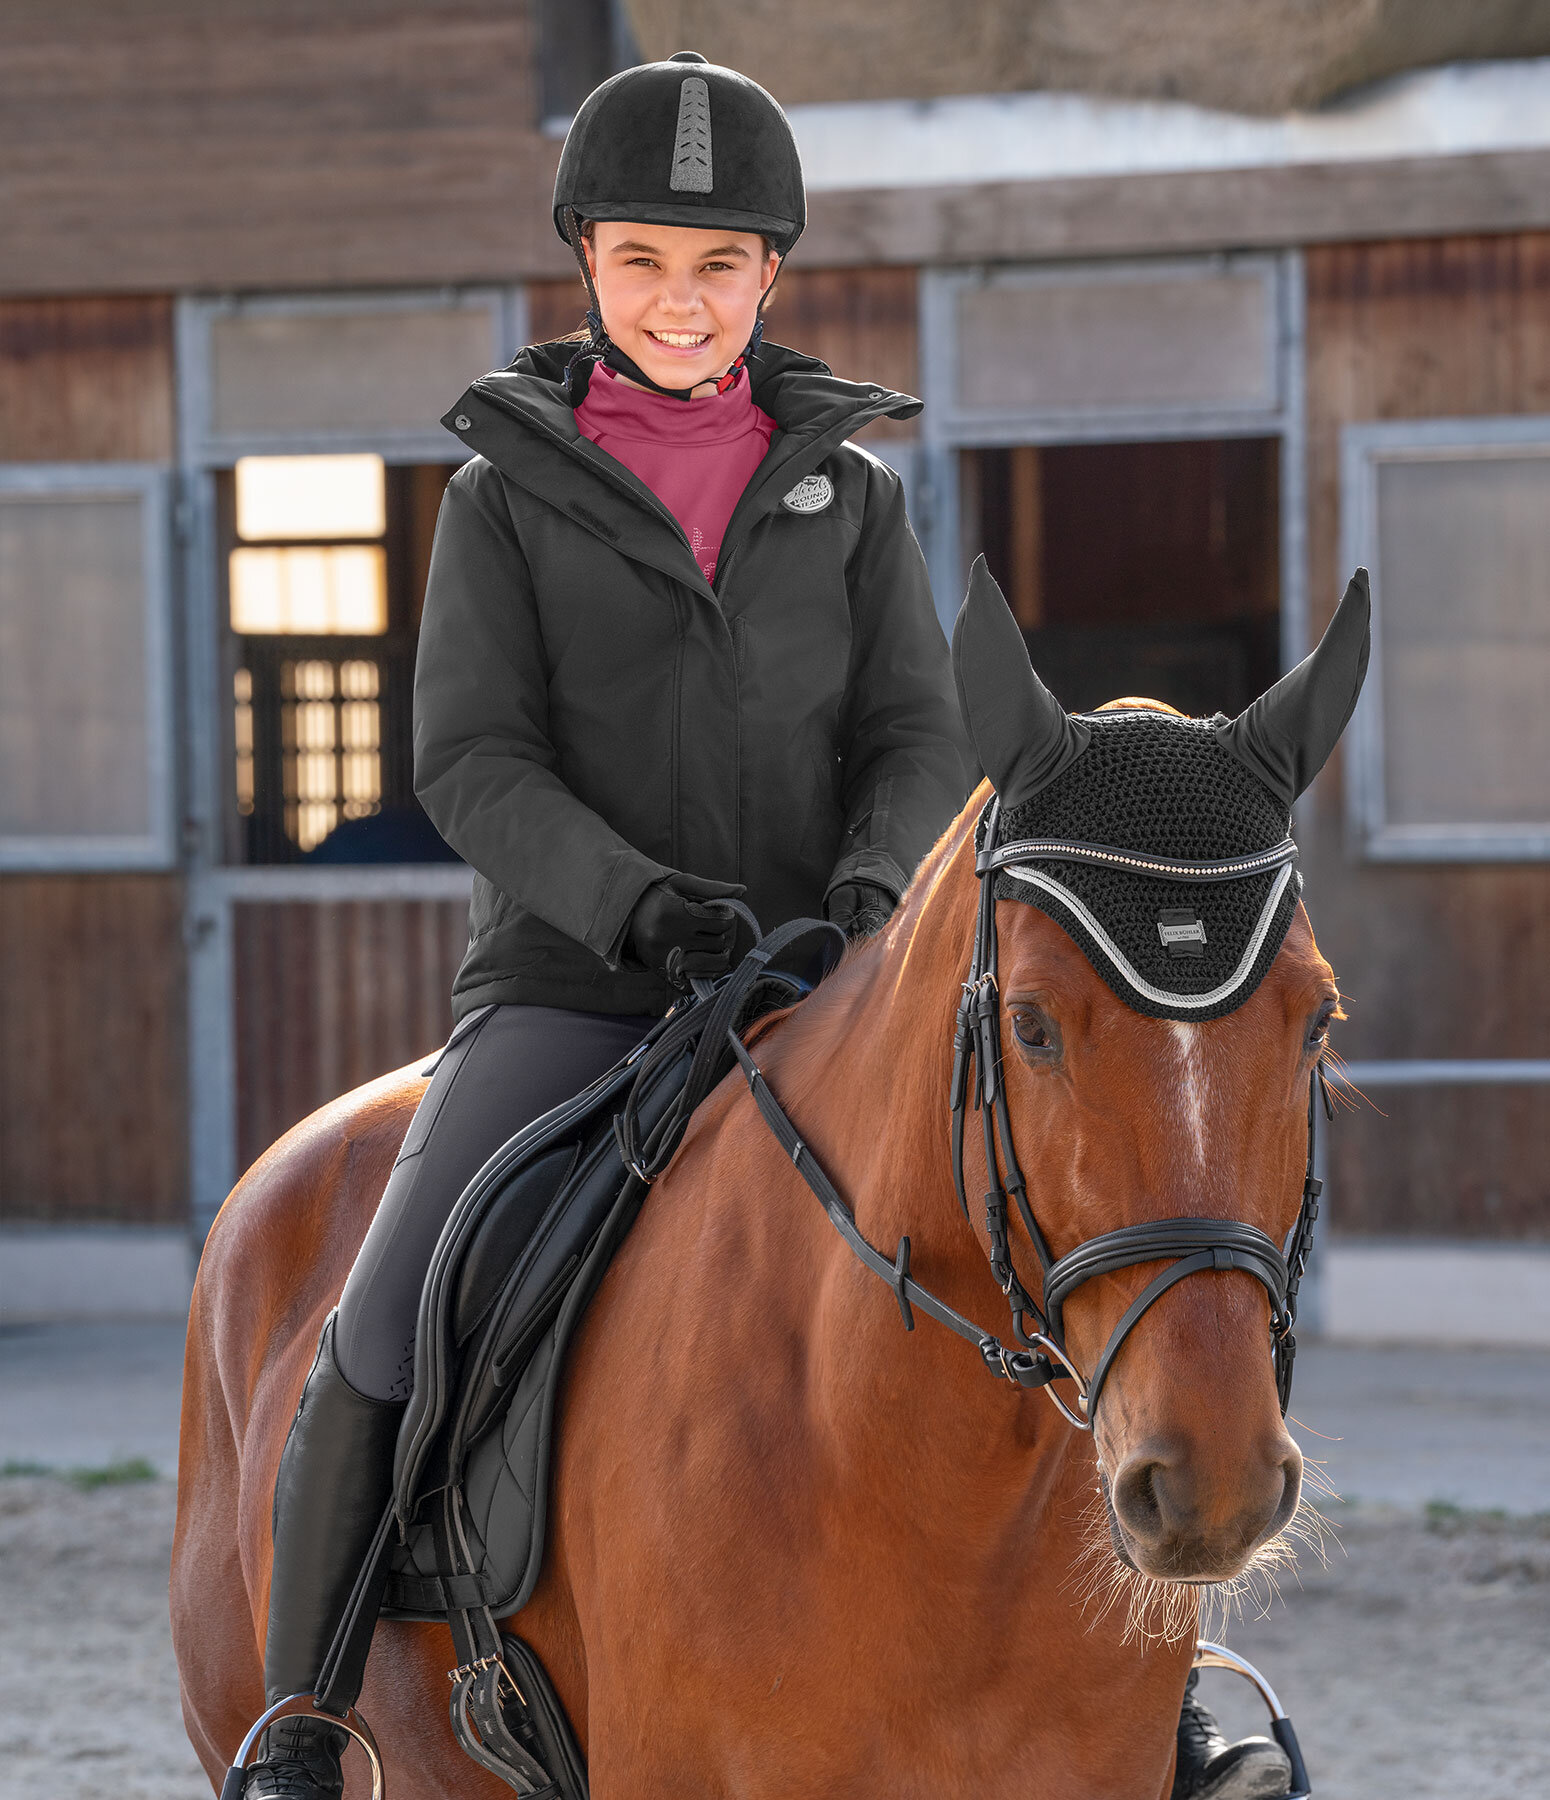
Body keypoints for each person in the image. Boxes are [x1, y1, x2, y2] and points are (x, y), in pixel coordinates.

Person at [235, 52, 1292, 1800]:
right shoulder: (504, 495)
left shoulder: (851, 496)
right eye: (644, 260)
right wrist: (631, 903)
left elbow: (915, 738)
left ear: (770, 281)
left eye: (718, 265)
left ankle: (1164, 1693)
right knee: (386, 1315)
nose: (678, 299)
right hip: (577, 990)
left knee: (1051, 1240)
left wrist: (875, 907)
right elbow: (470, 758)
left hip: (831, 987)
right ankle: (305, 1709)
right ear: (587, 265)